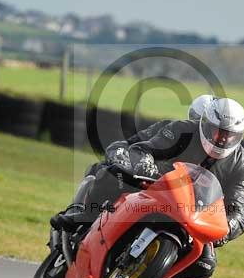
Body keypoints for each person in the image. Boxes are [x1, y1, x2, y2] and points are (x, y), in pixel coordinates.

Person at [52, 97, 244, 278]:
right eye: (218, 132)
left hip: (192, 213)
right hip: (154, 185)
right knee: (113, 173)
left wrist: (227, 228)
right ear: (205, 124)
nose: (222, 140)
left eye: (230, 136)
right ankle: (84, 215)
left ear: (239, 137)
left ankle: (147, 274)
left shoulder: (243, 167)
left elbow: (239, 211)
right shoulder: (181, 130)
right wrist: (145, 164)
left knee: (204, 267)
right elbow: (146, 148)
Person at [51, 94, 217, 225]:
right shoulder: (171, 129)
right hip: (143, 179)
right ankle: (79, 214)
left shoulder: (217, 158)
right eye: (199, 123)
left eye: (213, 130)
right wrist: (126, 158)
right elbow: (134, 144)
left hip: (175, 201)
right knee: (106, 171)